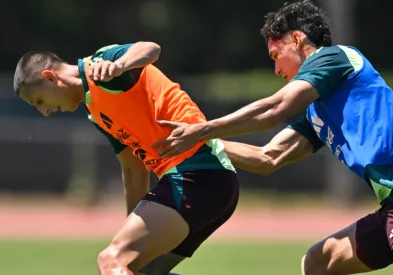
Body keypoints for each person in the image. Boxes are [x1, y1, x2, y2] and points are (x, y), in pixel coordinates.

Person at [152, 1, 393, 274]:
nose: (275, 69)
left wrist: (203, 128)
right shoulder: (317, 112)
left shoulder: (335, 58)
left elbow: (276, 106)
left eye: (276, 55)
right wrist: (201, 142)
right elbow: (267, 158)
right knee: (317, 263)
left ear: (296, 39)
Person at [13, 42, 239, 275]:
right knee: (142, 270)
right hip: (206, 182)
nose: (45, 112)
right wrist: (133, 225)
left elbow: (151, 49)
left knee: (112, 261)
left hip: (197, 175)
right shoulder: (96, 112)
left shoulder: (101, 65)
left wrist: (120, 65)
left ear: (50, 78)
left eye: (39, 101)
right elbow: (133, 169)